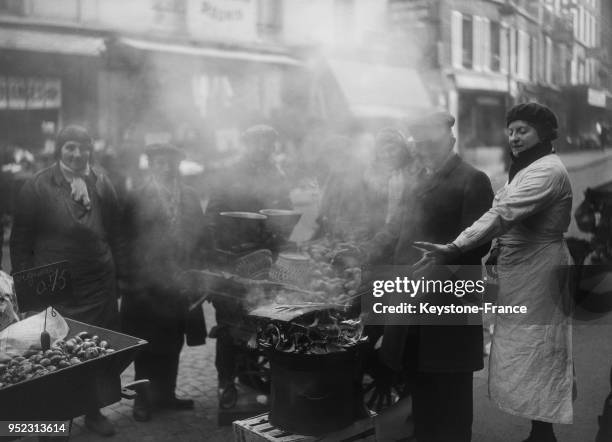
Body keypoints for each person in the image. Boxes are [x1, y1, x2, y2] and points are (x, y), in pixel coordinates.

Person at [415, 103, 573, 442]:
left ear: (543, 134)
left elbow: (502, 213)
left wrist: (456, 246)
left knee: (541, 350)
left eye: (523, 130)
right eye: (512, 130)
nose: (514, 137)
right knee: (525, 351)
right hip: (523, 271)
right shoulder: (526, 167)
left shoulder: (548, 171)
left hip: (542, 272)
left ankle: (543, 433)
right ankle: (538, 430)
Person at [342, 111, 494, 442]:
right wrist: (362, 257)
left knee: (451, 400)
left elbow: (477, 248)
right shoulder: (416, 181)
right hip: (409, 305)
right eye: (420, 144)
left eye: (431, 143)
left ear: (451, 141)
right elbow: (396, 231)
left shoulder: (473, 180)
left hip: (447, 308)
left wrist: (438, 267)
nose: (424, 150)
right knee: (420, 395)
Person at [10, 125, 122, 437]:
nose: (77, 154)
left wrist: (121, 279)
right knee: (55, 350)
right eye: (70, 147)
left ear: (91, 150)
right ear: (60, 149)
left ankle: (93, 411)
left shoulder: (102, 182)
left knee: (94, 350)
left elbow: (115, 232)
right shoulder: (37, 185)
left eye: (83, 148)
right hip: (55, 283)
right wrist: (27, 291)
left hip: (98, 282)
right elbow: (20, 242)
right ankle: (55, 415)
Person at [121, 143, 209, 422]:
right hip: (147, 284)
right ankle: (143, 400)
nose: (166, 167)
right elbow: (124, 241)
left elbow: (203, 237)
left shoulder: (190, 196)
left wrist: (202, 273)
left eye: (171, 162)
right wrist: (130, 279)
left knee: (173, 342)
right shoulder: (136, 197)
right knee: (146, 345)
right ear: (150, 164)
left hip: (179, 284)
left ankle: (167, 395)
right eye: (159, 162)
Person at [206, 125, 293, 407]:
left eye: (268, 143)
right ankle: (226, 384)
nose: (263, 148)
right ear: (246, 143)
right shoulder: (229, 173)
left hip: (267, 260)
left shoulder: (277, 174)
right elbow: (212, 216)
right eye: (257, 142)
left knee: (263, 320)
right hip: (232, 261)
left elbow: (286, 212)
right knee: (229, 326)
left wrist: (281, 231)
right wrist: (223, 247)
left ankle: (253, 375)